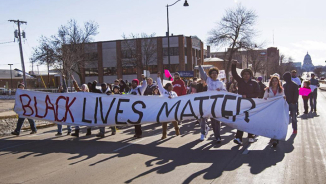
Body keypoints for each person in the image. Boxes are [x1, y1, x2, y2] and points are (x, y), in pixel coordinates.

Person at [231, 61, 260, 145]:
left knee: (249, 119)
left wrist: (247, 96)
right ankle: (238, 138)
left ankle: (250, 136)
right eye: (244, 74)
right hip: (241, 104)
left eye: (248, 74)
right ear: (242, 75)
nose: (246, 75)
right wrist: (233, 65)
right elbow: (234, 73)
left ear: (250, 75)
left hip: (251, 103)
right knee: (241, 120)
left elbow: (257, 93)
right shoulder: (240, 81)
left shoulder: (254, 83)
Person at [199, 64, 226, 143]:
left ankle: (217, 136)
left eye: (215, 73)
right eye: (212, 73)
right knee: (202, 117)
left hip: (216, 104)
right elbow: (203, 74)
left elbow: (225, 92)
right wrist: (200, 66)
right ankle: (203, 131)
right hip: (208, 103)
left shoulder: (221, 83)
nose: (214, 74)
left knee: (215, 121)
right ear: (210, 74)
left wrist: (220, 91)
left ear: (217, 74)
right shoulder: (208, 80)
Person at [156, 72, 180, 139]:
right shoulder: (163, 91)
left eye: (172, 86)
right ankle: (164, 134)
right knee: (164, 122)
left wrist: (172, 98)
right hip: (165, 109)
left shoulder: (173, 93)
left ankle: (177, 129)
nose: (171, 87)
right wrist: (158, 78)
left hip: (172, 108)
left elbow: (177, 99)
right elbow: (160, 85)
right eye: (170, 86)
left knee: (174, 120)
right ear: (167, 87)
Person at [263, 75, 285, 147]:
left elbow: (283, 98)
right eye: (273, 81)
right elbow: (264, 98)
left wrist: (284, 98)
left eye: (276, 81)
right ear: (271, 82)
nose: (274, 82)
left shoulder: (281, 89)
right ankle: (272, 137)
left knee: (277, 124)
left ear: (278, 82)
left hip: (278, 109)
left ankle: (276, 138)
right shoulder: (268, 90)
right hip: (270, 110)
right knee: (271, 124)